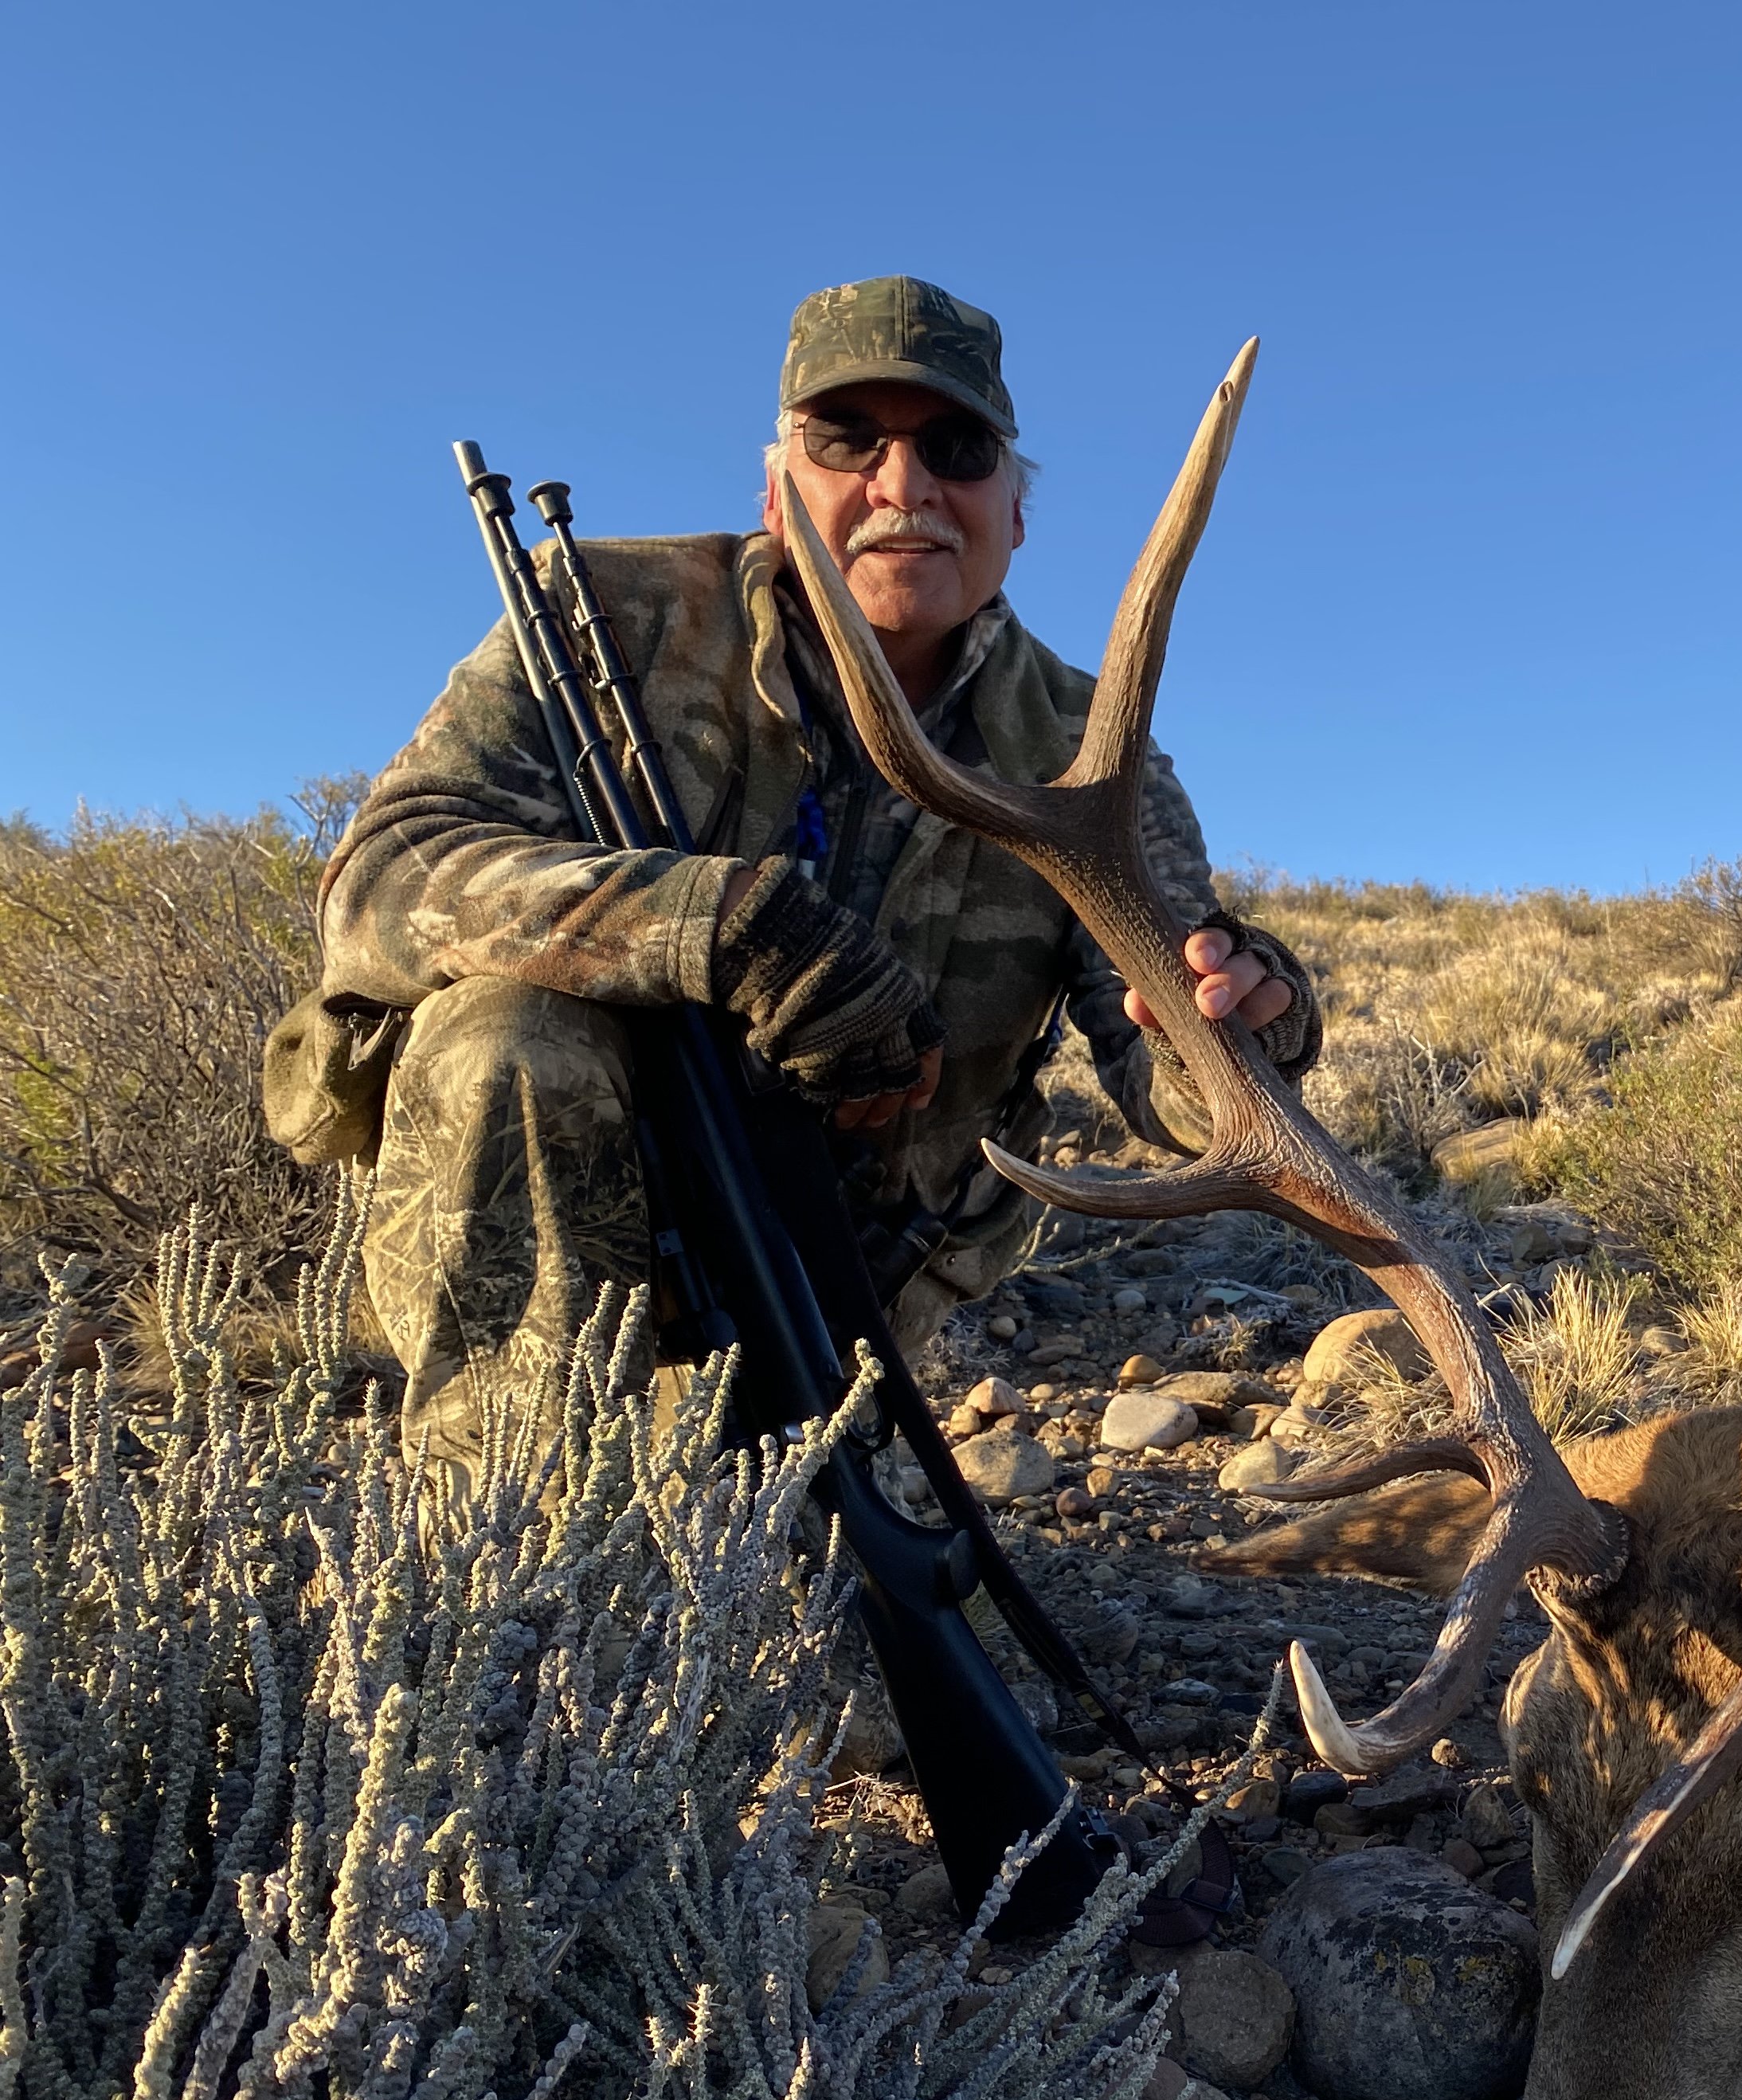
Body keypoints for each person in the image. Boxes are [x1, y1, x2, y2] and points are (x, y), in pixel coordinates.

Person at [273, 276, 1320, 1460]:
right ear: (777, 489)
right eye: (847, 438)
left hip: (849, 1278)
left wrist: (1242, 1031)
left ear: (1015, 512)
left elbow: (1167, 1078)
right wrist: (715, 926)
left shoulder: (1092, 749)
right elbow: (385, 876)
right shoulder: (602, 616)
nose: (905, 486)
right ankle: (511, 1528)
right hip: (562, 1204)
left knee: (867, 1604)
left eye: (958, 447)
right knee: (505, 1034)